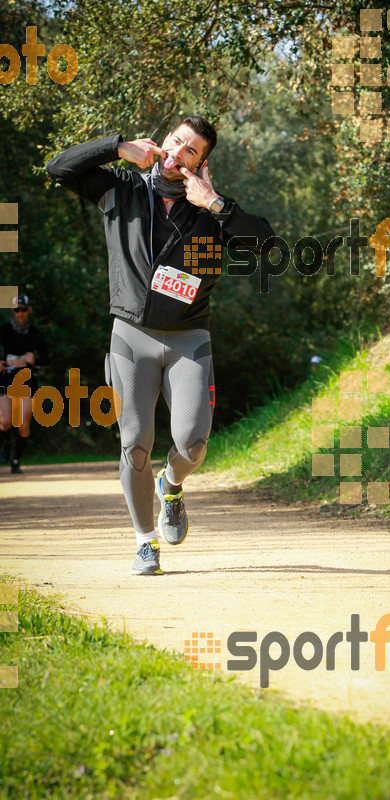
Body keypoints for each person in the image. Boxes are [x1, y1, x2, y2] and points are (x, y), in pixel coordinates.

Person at [47, 115, 274, 576]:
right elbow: (58, 168)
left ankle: (171, 485)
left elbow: (266, 244)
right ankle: (145, 542)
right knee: (135, 444)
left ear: (202, 163)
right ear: (162, 140)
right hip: (131, 337)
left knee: (192, 443)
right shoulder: (121, 189)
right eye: (176, 142)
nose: (179, 153)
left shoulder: (211, 213)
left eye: (191, 150)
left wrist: (217, 203)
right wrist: (116, 146)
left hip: (190, 339)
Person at [0, 295, 50, 474]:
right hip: (5, 380)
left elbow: (46, 359)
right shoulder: (4, 330)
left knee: (22, 425)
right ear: (12, 311)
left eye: (23, 309)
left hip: (27, 381)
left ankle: (16, 460)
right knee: (5, 422)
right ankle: (6, 442)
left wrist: (35, 359)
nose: (20, 313)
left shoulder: (35, 333)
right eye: (16, 310)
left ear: (29, 310)